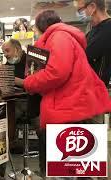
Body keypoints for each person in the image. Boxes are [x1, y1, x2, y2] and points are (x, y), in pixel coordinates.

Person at [15, 10, 111, 178]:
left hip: (68, 107)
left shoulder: (58, 37)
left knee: (69, 170)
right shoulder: (64, 37)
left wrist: (28, 82)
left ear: (41, 27)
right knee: (77, 170)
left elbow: (57, 73)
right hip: (73, 105)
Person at [74, 0, 111, 88]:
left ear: (92, 7)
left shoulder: (108, 29)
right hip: (88, 87)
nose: (79, 14)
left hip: (97, 89)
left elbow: (85, 56)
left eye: (80, 10)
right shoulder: (94, 29)